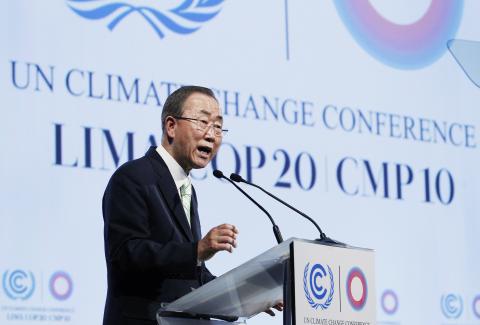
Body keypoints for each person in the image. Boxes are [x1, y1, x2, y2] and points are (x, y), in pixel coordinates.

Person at [101, 86, 239, 325]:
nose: (212, 135)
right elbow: (127, 255)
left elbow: (190, 276)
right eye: (202, 122)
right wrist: (196, 250)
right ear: (171, 126)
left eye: (218, 126)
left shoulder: (187, 188)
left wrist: (246, 296)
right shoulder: (133, 177)